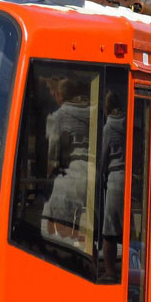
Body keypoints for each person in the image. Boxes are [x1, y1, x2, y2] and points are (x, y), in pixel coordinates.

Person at [42, 76, 92, 245]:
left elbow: (53, 150)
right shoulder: (91, 112)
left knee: (61, 229)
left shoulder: (59, 116)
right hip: (92, 173)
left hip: (72, 172)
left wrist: (50, 171)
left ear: (59, 96)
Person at [100, 90, 126, 277]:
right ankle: (126, 269)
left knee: (110, 230)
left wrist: (99, 175)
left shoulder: (108, 128)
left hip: (115, 179)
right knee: (125, 228)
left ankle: (110, 271)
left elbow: (103, 157)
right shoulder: (128, 123)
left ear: (106, 108)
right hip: (129, 180)